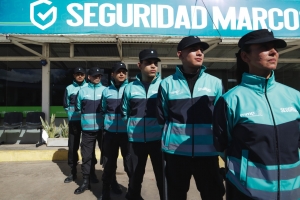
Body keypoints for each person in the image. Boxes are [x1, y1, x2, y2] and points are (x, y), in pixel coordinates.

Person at [213, 29, 300, 200]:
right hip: (246, 192)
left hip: (293, 192)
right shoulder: (230, 100)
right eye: (264, 47)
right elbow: (222, 145)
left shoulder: (294, 97)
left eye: (275, 48)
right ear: (245, 57)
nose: (274, 52)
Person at [156, 36, 225, 200]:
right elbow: (162, 116)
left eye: (201, 50)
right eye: (193, 49)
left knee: (213, 196)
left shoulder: (215, 83)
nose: (200, 53)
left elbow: (221, 119)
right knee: (175, 196)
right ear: (180, 54)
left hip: (208, 154)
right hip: (176, 154)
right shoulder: (167, 84)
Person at [121, 49, 163, 200]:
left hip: (158, 141)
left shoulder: (164, 86)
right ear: (139, 65)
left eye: (155, 63)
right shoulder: (130, 88)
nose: (153, 66)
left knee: (162, 177)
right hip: (136, 141)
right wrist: (133, 128)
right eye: (148, 63)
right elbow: (125, 112)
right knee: (135, 177)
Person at [98, 62, 130, 200]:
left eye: (124, 71)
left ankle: (133, 191)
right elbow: (103, 109)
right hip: (110, 133)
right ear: (113, 74)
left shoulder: (130, 89)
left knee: (129, 165)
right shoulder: (106, 91)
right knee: (109, 164)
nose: (121, 74)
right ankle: (105, 192)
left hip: (126, 134)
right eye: (118, 71)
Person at [74, 67, 106, 194]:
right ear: (89, 77)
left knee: (108, 156)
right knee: (86, 157)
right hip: (87, 130)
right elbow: (78, 108)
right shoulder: (82, 91)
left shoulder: (105, 90)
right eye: (94, 75)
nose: (97, 77)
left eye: (99, 75)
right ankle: (86, 182)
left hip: (102, 129)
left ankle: (110, 181)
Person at [63, 67, 87, 183]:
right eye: (77, 74)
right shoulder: (69, 88)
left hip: (87, 122)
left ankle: (90, 172)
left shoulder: (89, 87)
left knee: (88, 149)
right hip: (74, 122)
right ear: (74, 75)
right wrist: (71, 116)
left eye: (81, 74)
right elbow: (66, 105)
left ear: (85, 75)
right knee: (73, 147)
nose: (80, 76)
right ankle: (73, 172)